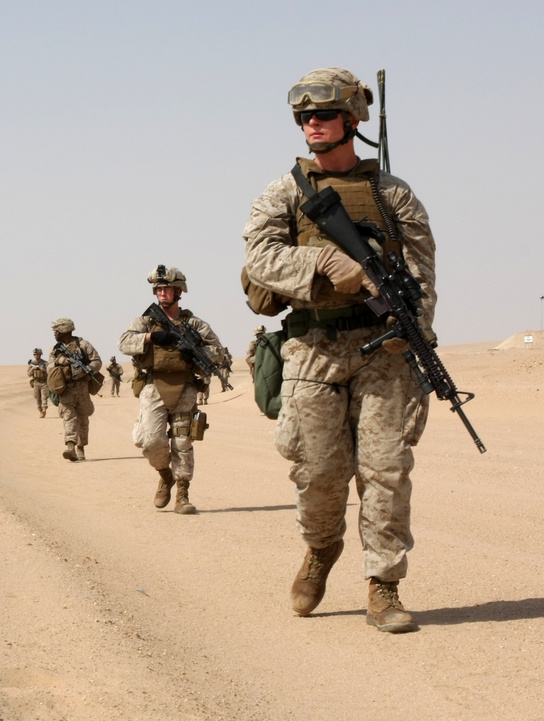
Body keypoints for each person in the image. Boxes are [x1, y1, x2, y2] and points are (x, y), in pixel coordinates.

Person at [242, 67, 436, 633]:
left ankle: (384, 584)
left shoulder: (393, 195)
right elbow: (260, 259)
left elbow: (422, 275)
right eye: (303, 117)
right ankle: (322, 547)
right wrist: (326, 262)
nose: (311, 124)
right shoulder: (282, 192)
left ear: (352, 120)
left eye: (323, 115)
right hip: (313, 348)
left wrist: (414, 329)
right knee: (320, 472)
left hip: (385, 352)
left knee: (387, 470)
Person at [119, 265, 227, 514]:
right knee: (150, 441)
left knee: (182, 441)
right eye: (158, 289)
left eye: (166, 288)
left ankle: (182, 494)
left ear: (179, 291)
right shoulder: (146, 321)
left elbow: (218, 351)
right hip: (153, 385)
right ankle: (165, 474)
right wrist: (150, 338)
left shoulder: (195, 325)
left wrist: (193, 351)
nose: (161, 293)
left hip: (186, 386)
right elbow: (123, 342)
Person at [48, 318, 101, 462]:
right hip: (65, 388)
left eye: (56, 330)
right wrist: (59, 361)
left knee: (83, 418)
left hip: (82, 387)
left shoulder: (83, 344)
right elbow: (49, 366)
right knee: (68, 416)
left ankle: (81, 447)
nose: (54, 333)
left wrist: (86, 370)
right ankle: (70, 447)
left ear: (64, 330)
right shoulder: (56, 349)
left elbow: (97, 361)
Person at [27, 348, 49, 418]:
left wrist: (41, 369)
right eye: (35, 355)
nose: (36, 356)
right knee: (38, 399)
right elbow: (29, 374)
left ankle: (44, 410)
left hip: (43, 383)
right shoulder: (32, 364)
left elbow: (48, 373)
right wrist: (33, 368)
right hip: (36, 383)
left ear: (40, 355)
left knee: (44, 398)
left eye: (38, 354)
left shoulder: (45, 363)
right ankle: (40, 411)